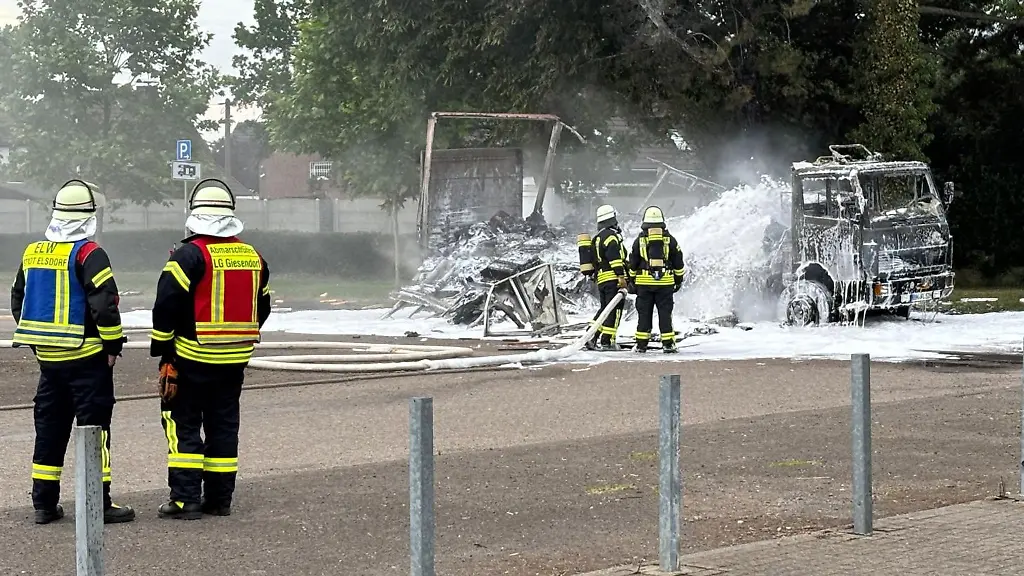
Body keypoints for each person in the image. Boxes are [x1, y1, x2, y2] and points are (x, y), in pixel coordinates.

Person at [11, 179, 135, 524]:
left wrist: (39, 340)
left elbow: (19, 300)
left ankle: (44, 505)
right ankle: (98, 503)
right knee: (94, 431)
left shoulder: (32, 252)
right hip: (87, 360)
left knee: (49, 432)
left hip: (49, 363)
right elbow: (105, 305)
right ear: (89, 216)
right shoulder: (90, 254)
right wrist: (112, 345)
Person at [149, 178, 272, 520]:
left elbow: (167, 304)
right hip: (235, 360)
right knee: (223, 426)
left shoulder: (189, 255)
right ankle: (219, 500)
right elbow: (262, 306)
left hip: (191, 357)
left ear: (195, 214)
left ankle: (185, 500)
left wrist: (162, 347)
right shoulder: (253, 256)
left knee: (183, 424)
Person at [627, 206, 686, 354]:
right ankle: (668, 345)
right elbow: (678, 262)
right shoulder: (670, 240)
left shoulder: (639, 241)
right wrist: (678, 280)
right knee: (665, 315)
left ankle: (641, 345)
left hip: (644, 285)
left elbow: (633, 263)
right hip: (665, 284)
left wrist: (632, 280)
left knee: (644, 315)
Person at [584, 204, 629, 351]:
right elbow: (615, 258)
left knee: (604, 309)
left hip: (602, 279)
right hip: (613, 279)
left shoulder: (596, 238)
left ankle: (590, 335)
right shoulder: (611, 237)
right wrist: (621, 276)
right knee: (613, 310)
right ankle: (607, 341)